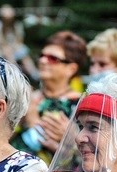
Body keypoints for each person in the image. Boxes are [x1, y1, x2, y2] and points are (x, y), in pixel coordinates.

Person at [14, 30, 86, 161]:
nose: (42, 60)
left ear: (71, 69)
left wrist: (33, 120)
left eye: (53, 58)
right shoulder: (26, 98)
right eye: (42, 55)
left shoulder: (82, 105)